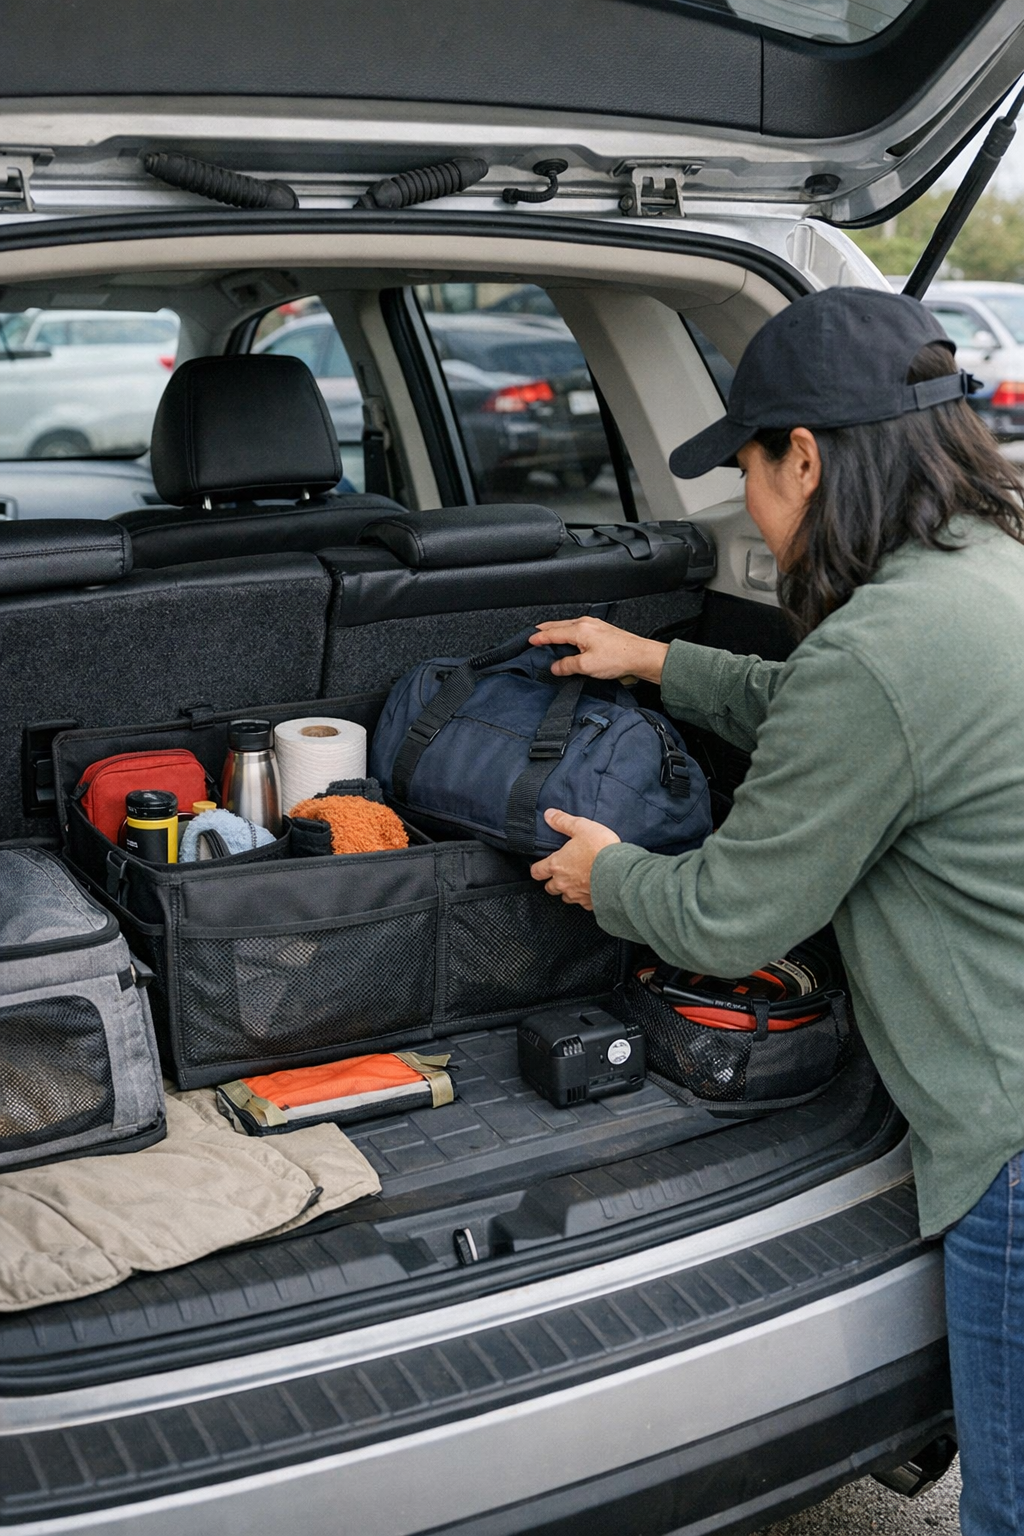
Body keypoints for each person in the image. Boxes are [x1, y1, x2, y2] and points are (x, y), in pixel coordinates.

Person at [529, 287, 1024, 1536]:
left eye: (745, 472)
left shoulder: (878, 651)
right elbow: (844, 716)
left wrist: (607, 875)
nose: (746, 506)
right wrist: (657, 661)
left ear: (804, 458)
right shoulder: (983, 574)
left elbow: (725, 920)